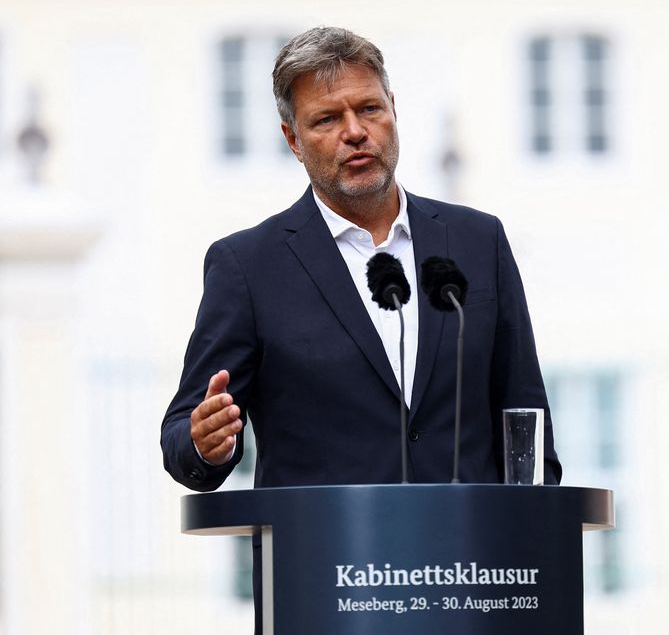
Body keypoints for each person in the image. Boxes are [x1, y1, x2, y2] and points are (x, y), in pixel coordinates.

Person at [161, 26, 561, 494]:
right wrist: (206, 443)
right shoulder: (248, 266)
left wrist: (536, 529)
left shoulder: (477, 240)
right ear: (293, 139)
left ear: (393, 108)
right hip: (323, 558)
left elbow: (526, 416)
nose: (355, 132)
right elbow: (181, 434)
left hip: (467, 557)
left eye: (369, 108)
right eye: (327, 119)